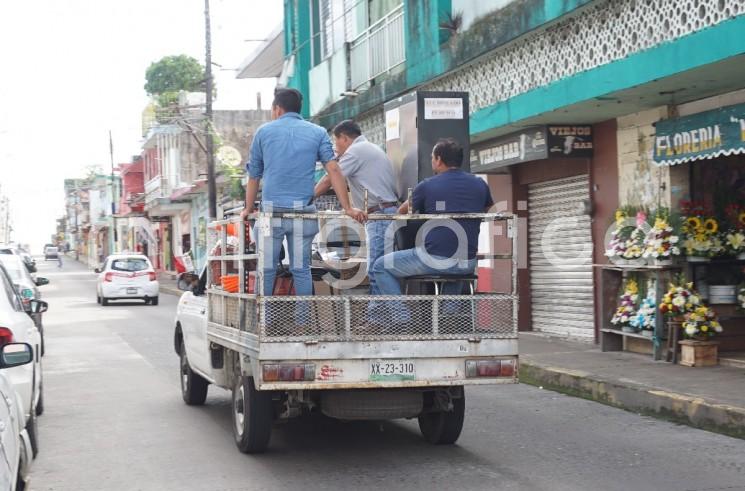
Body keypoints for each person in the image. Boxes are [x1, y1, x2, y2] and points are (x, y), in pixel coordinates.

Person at [240, 88, 365, 320]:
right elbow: (334, 170)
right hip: (302, 214)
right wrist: (348, 208)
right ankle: (302, 322)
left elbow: (254, 176)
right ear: (299, 109)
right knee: (301, 269)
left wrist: (248, 209)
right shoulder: (317, 132)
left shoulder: (263, 132)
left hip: (271, 215)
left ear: (277, 109)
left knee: (266, 269)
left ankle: (265, 322)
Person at [372, 138, 494, 299]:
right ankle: (450, 320)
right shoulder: (479, 184)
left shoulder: (427, 185)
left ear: (438, 159)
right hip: (468, 262)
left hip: (435, 259)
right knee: (453, 274)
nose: (432, 161)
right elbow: (486, 209)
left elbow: (401, 211)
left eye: (432, 157)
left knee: (381, 266)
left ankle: (401, 320)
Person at [313, 120, 399, 294]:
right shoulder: (369, 148)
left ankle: (391, 317)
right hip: (384, 212)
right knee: (380, 268)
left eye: (336, 142)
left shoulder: (356, 151)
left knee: (376, 268)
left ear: (344, 138)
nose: (336, 148)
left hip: (379, 214)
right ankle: (379, 316)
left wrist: (308, 198)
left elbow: (331, 177)